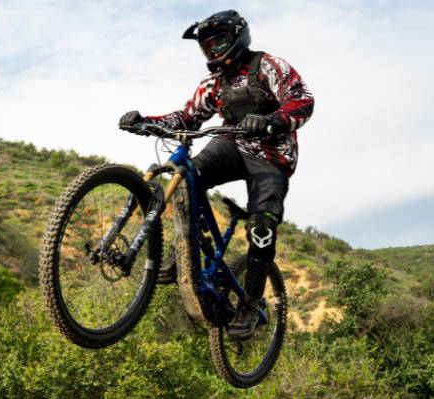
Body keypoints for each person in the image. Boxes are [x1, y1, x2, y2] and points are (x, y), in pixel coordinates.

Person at [118, 10, 314, 340]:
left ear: (238, 37)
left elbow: (301, 101)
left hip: (271, 154)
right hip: (230, 145)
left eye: (218, 43)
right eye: (206, 48)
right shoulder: (214, 83)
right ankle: (186, 251)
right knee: (186, 174)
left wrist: (274, 120)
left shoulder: (268, 65)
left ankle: (251, 304)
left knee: (261, 224)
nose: (213, 52)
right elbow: (186, 117)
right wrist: (144, 121)